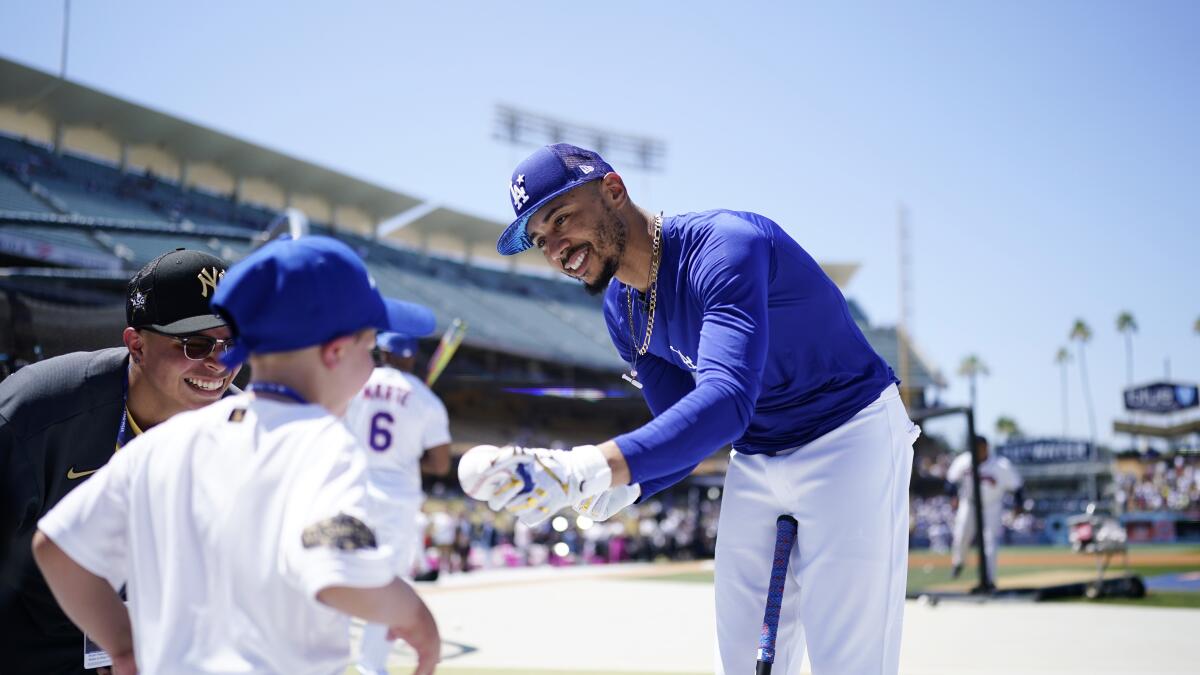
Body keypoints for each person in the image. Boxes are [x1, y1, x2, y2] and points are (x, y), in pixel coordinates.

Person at [461, 143, 921, 674]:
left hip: (849, 435)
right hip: (757, 454)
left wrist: (585, 467)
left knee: (850, 665)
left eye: (562, 219)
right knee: (744, 664)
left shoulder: (725, 246)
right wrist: (620, 487)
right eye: (542, 240)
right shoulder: (621, 310)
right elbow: (684, 429)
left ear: (613, 190)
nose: (557, 249)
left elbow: (725, 403)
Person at [31, 236, 440, 675]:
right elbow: (337, 567)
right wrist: (414, 614)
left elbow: (56, 549)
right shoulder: (322, 443)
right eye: (370, 349)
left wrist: (124, 647)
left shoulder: (170, 438)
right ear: (337, 351)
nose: (372, 367)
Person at [0, 248, 240, 674]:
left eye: (234, 344)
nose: (220, 362)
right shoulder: (39, 412)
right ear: (137, 345)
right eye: (197, 344)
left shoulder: (247, 432)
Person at [344, 318, 453, 675]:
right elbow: (439, 463)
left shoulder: (354, 382)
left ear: (383, 350)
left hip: (352, 489)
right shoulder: (427, 400)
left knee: (341, 574)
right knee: (389, 585)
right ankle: (371, 666)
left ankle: (325, 662)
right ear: (412, 357)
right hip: (399, 499)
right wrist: (407, 453)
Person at [946, 435, 1023, 583]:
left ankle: (989, 580)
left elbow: (1018, 486)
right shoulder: (965, 460)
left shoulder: (1001, 465)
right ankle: (958, 562)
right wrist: (953, 496)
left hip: (991, 506)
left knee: (989, 542)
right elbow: (950, 481)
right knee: (961, 535)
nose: (977, 451)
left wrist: (1018, 505)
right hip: (969, 503)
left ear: (986, 447)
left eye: (980, 447)